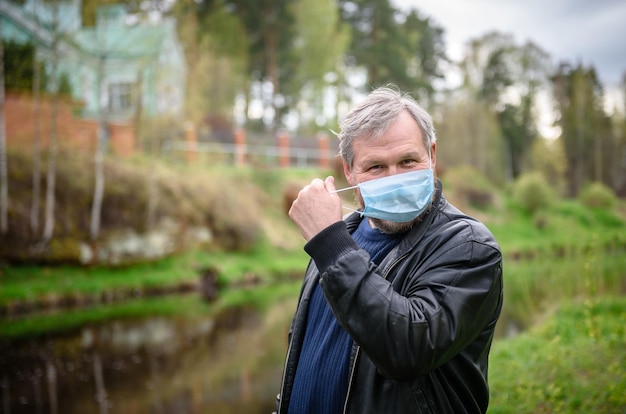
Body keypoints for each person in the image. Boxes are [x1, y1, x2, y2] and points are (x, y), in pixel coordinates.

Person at [274, 85, 503, 414]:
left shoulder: (468, 246)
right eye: (376, 167)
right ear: (349, 171)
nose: (394, 178)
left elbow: (408, 348)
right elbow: (304, 346)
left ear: (432, 156)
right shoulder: (342, 236)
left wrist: (329, 243)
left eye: (408, 161)